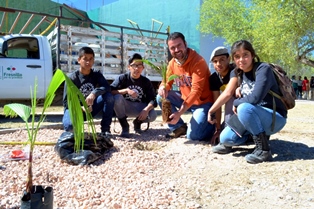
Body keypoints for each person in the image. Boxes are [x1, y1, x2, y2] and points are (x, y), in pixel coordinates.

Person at [216, 40, 287, 164]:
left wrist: (236, 103)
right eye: (237, 56)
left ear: (252, 55)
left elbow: (255, 98)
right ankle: (256, 136)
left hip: (274, 117)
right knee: (225, 138)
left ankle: (263, 150)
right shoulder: (238, 72)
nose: (241, 60)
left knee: (243, 107)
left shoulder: (263, 69)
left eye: (245, 55)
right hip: (251, 115)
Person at [156, 32, 215, 141]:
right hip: (186, 100)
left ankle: (212, 124)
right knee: (160, 97)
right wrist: (163, 87)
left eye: (179, 46)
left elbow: (196, 91)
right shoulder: (172, 63)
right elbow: (167, 82)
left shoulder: (198, 61)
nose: (177, 50)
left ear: (185, 44)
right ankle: (178, 127)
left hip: (202, 103)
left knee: (193, 136)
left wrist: (179, 113)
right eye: (172, 48)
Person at [62, 46, 114, 137]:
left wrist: (94, 93)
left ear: (93, 61)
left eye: (90, 59)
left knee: (108, 96)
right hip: (75, 110)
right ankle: (76, 129)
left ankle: (105, 130)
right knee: (70, 127)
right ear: (79, 60)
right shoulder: (72, 78)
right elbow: (66, 102)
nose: (88, 62)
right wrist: (81, 108)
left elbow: (107, 87)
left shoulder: (96, 74)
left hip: (91, 108)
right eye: (85, 59)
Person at [110, 53, 157, 138]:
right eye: (134, 65)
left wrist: (146, 110)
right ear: (129, 67)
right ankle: (125, 126)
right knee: (117, 98)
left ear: (143, 68)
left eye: (139, 66)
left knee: (153, 115)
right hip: (125, 106)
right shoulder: (122, 78)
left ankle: (137, 122)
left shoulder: (146, 81)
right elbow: (110, 91)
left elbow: (153, 100)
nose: (136, 68)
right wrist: (126, 90)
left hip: (139, 108)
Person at [207, 46, 236, 145]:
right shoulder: (214, 78)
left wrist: (211, 110)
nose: (218, 64)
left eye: (222, 60)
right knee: (224, 132)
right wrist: (218, 129)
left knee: (230, 97)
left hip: (242, 104)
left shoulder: (235, 70)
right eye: (215, 61)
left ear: (229, 59)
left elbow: (228, 94)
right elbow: (217, 103)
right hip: (231, 109)